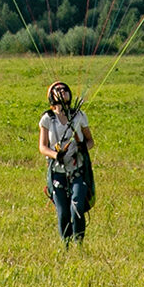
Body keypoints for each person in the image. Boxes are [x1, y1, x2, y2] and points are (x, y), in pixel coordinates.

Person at [38, 80, 94, 244]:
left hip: (77, 170)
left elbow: (90, 141)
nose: (62, 91)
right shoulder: (47, 119)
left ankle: (79, 244)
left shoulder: (79, 116)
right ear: (51, 96)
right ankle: (66, 246)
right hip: (57, 172)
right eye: (58, 89)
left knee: (77, 207)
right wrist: (56, 155)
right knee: (63, 213)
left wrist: (82, 148)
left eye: (65, 89)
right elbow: (42, 147)